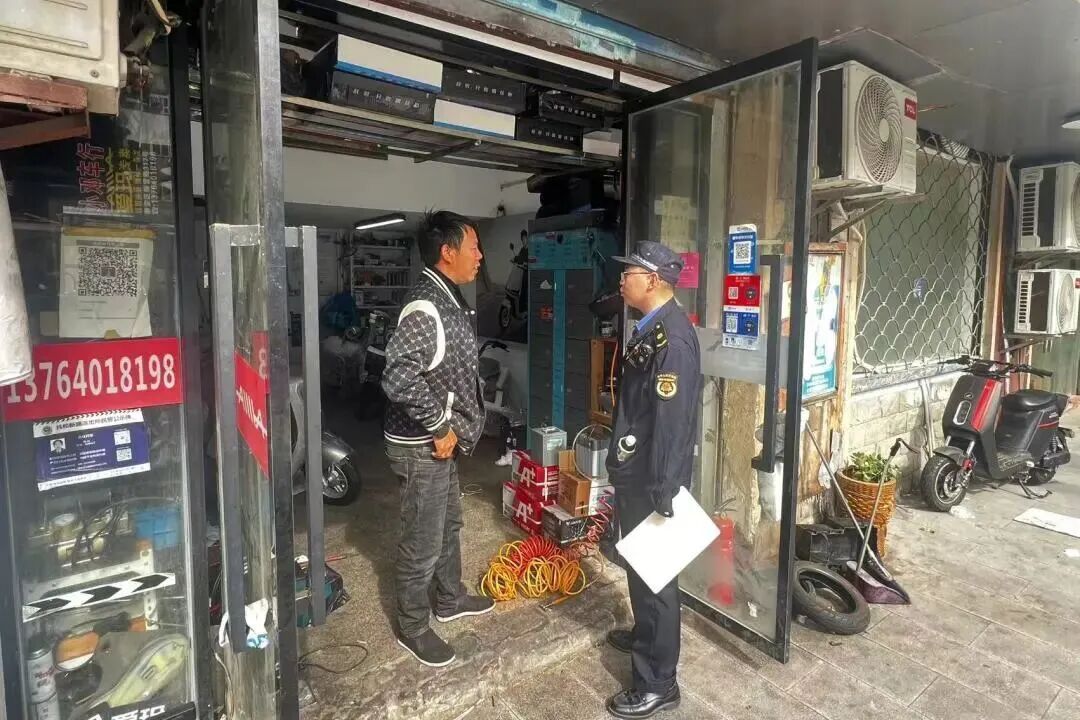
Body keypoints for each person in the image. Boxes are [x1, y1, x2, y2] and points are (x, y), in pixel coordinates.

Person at [381, 210, 493, 667]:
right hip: (422, 446)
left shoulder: (448, 296)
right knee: (423, 539)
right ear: (447, 252)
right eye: (474, 247)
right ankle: (412, 626)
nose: (480, 256)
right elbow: (398, 375)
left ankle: (449, 599)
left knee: (448, 525)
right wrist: (440, 426)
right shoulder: (426, 306)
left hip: (441, 444)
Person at [603, 241, 701, 719]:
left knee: (656, 580)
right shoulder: (649, 329)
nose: (623, 280)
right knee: (640, 571)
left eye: (631, 273)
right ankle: (646, 636)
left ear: (655, 280)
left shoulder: (673, 341)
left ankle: (659, 682)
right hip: (636, 473)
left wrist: (665, 489)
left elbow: (673, 425)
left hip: (652, 481)